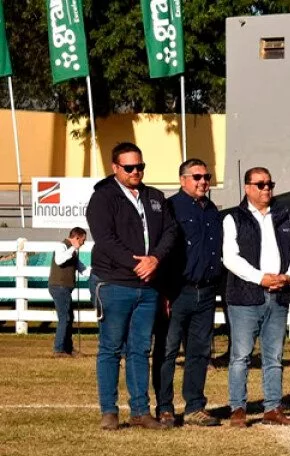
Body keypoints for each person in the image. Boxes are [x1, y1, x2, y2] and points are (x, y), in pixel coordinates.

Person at [86, 142, 177, 431]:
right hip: (114, 283)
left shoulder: (154, 197)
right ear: (115, 167)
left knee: (140, 349)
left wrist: (155, 259)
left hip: (148, 286)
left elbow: (170, 231)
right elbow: (105, 239)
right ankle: (109, 411)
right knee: (111, 348)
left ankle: (140, 410)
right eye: (129, 167)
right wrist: (136, 263)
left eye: (140, 166)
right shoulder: (103, 198)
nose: (135, 171)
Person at [222, 167, 290, 428]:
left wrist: (289, 276)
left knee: (274, 357)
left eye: (269, 184)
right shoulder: (233, 218)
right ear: (247, 187)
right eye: (260, 184)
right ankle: (238, 408)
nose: (266, 188)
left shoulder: (284, 216)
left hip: (279, 295)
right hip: (245, 297)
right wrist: (261, 278)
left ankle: (273, 407)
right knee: (240, 356)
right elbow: (230, 257)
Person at [151, 159, 222, 428]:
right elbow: (161, 251)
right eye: (197, 177)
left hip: (206, 291)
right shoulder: (169, 208)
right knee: (167, 350)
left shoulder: (212, 210)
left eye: (207, 176)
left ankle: (195, 406)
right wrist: (163, 292)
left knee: (199, 351)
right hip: (176, 291)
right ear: (182, 180)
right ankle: (165, 408)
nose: (203, 181)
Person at [48, 226, 88, 357]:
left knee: (69, 318)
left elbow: (82, 268)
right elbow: (59, 260)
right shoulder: (62, 246)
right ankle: (59, 349)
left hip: (64, 288)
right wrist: (73, 248)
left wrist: (97, 274)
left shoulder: (72, 251)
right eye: (82, 240)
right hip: (59, 287)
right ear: (76, 238)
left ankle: (67, 348)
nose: (83, 243)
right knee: (65, 318)